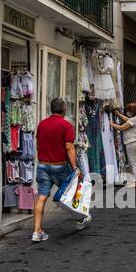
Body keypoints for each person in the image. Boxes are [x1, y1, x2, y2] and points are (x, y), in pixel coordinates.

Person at [32, 97, 86, 242]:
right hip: (59, 166)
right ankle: (80, 217)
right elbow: (69, 147)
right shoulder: (66, 125)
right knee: (73, 190)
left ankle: (37, 231)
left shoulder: (42, 124)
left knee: (42, 196)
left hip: (43, 165)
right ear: (64, 109)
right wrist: (75, 168)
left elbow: (38, 145)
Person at [110, 102, 136, 187]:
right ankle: (135, 181)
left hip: (132, 142)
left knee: (133, 162)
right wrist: (119, 114)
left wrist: (111, 124)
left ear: (132, 111)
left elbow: (121, 128)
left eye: (128, 111)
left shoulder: (133, 119)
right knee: (134, 162)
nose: (127, 112)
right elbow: (127, 120)